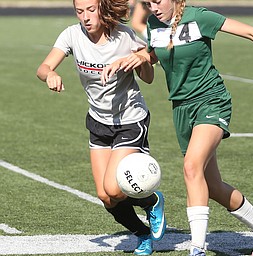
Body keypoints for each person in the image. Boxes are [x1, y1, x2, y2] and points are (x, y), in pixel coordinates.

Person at [103, 1, 253, 255]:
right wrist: (141, 56)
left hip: (211, 100)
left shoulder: (199, 17)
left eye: (158, 1)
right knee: (213, 186)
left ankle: (197, 248)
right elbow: (155, 53)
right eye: (148, 2)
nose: (153, 7)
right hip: (181, 109)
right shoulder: (155, 24)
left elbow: (251, 32)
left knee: (191, 167)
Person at [36, 0, 166, 255]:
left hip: (130, 120)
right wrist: (50, 73)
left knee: (114, 188)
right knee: (106, 197)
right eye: (80, 11)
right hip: (98, 122)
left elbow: (149, 79)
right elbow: (43, 67)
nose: (85, 17)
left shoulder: (124, 36)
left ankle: (152, 199)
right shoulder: (72, 35)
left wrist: (138, 61)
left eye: (91, 10)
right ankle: (142, 234)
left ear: (102, 9)